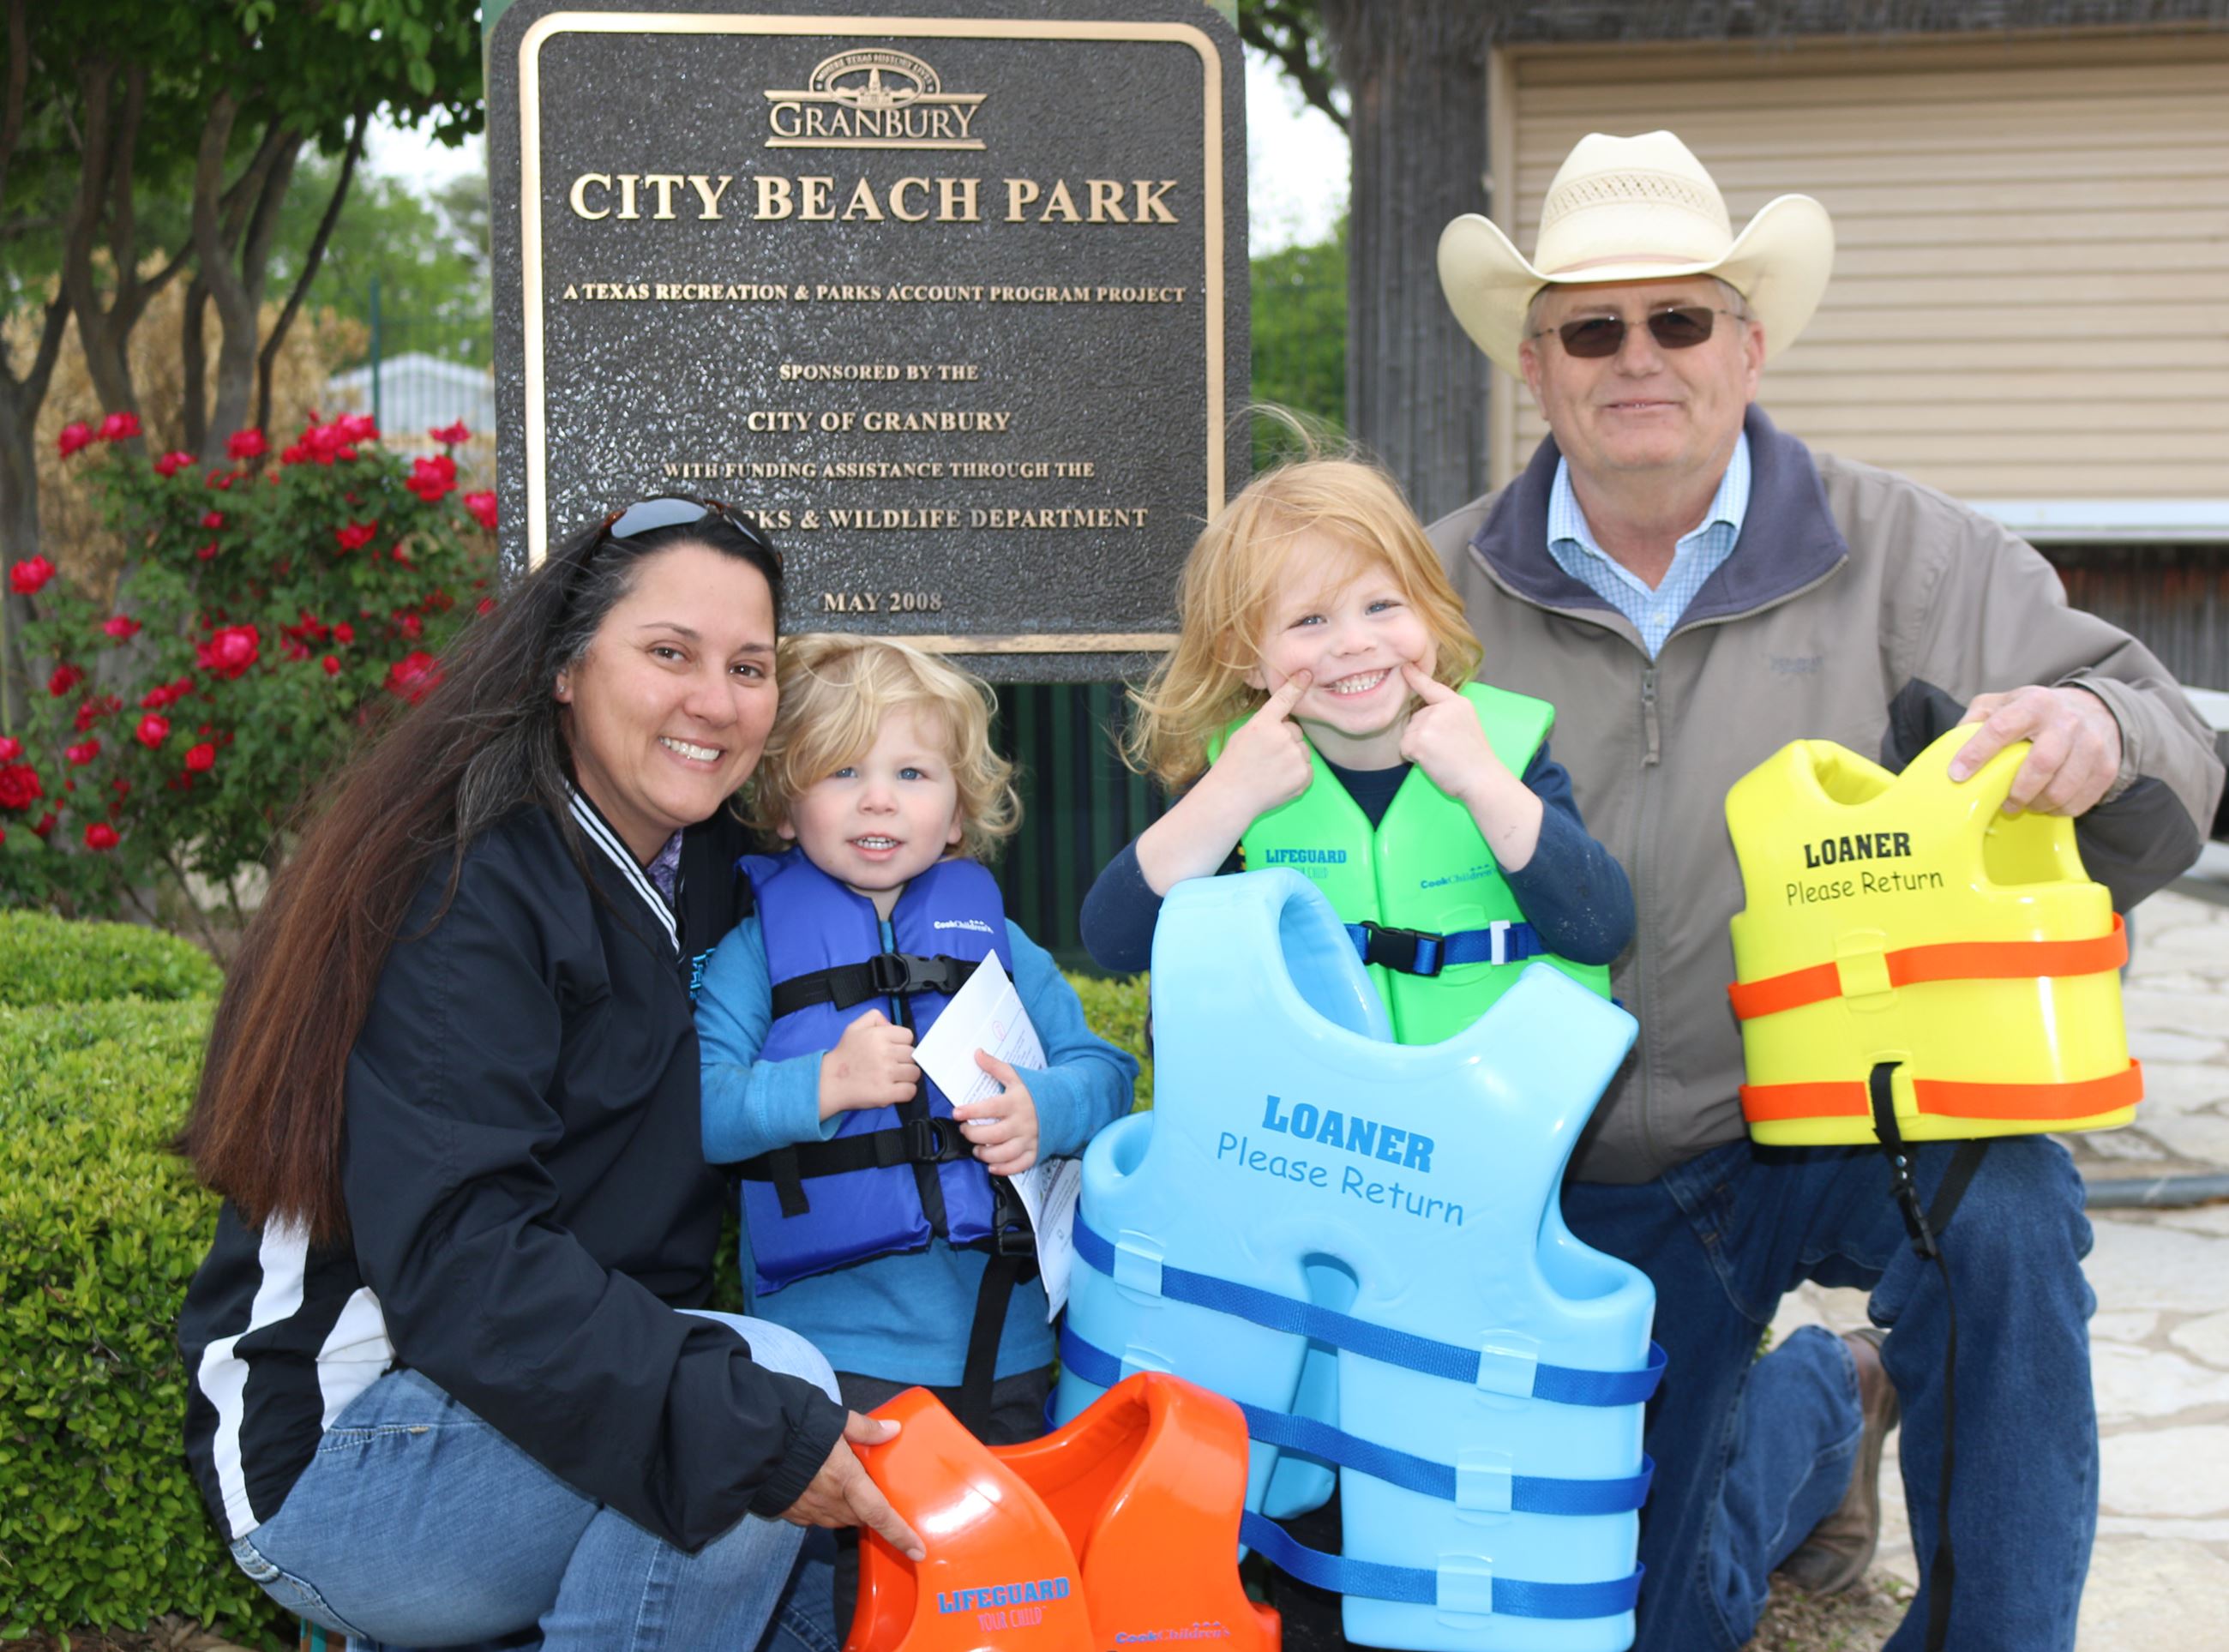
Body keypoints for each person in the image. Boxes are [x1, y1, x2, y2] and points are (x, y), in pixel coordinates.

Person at [1429, 130, 2226, 1651]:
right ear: (1535, 366)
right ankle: (1823, 1401)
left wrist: (2101, 731)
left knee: (2011, 1209)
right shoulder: (1435, 588)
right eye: (1593, 329)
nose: (1638, 356)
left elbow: (2163, 732)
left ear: (1750, 344)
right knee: (1660, 1620)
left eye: (1680, 318)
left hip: (1852, 1117)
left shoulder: (1912, 553)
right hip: (1573, 1165)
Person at [176, 498, 925, 1652]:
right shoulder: (462, 889)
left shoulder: (710, 871)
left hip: (530, 1399)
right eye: (668, 652)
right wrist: (745, 1423)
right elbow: (463, 1260)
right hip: (345, 1452)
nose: (714, 699)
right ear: (566, 668)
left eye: (747, 667)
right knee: (749, 1410)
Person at [696, 632, 1138, 1649]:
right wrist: (823, 1083)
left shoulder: (999, 945)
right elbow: (701, 1108)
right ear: (785, 805)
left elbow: (1105, 1072)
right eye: (841, 772)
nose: (878, 801)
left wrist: (1044, 1107)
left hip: (1004, 1353)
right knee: (856, 1616)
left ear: (958, 809)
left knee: (1007, 1602)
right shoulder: (752, 954)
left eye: (910, 773)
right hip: (837, 1371)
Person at [1081, 454, 1633, 1016]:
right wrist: (1226, 798)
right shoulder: (1237, 778)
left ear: (1431, 615)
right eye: (1310, 620)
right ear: (1245, 657)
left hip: (1502, 1071)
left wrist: (1484, 782)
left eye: (1381, 605)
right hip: (1316, 1077)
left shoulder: (1507, 753)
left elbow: (1601, 931)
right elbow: (1115, 942)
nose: (1354, 643)